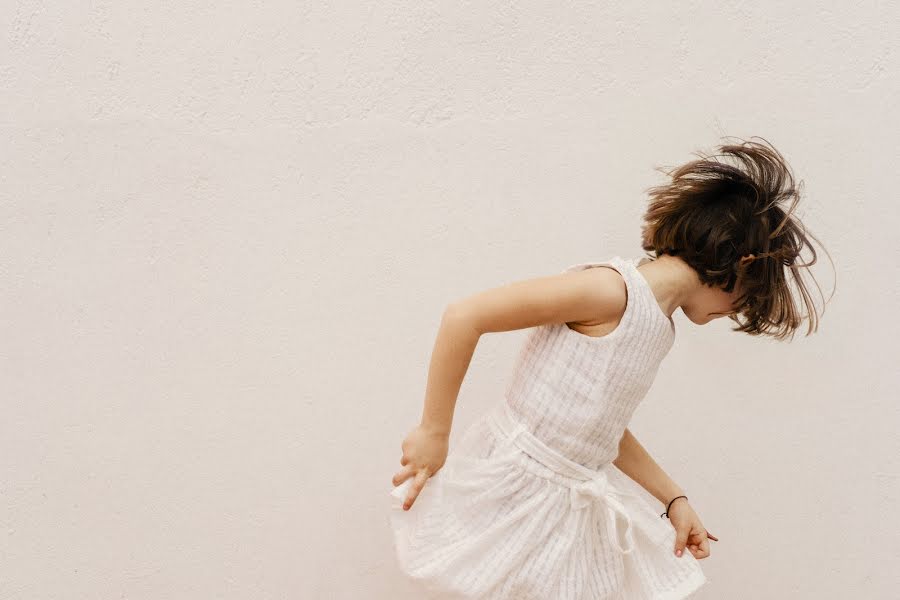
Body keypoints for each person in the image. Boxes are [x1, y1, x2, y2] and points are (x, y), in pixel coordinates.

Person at [387, 137, 829, 599]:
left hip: (567, 508)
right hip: (516, 489)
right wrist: (434, 430)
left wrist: (673, 498)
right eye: (748, 299)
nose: (738, 312)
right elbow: (465, 317)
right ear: (741, 265)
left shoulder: (658, 326)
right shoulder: (610, 291)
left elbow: (602, 430)